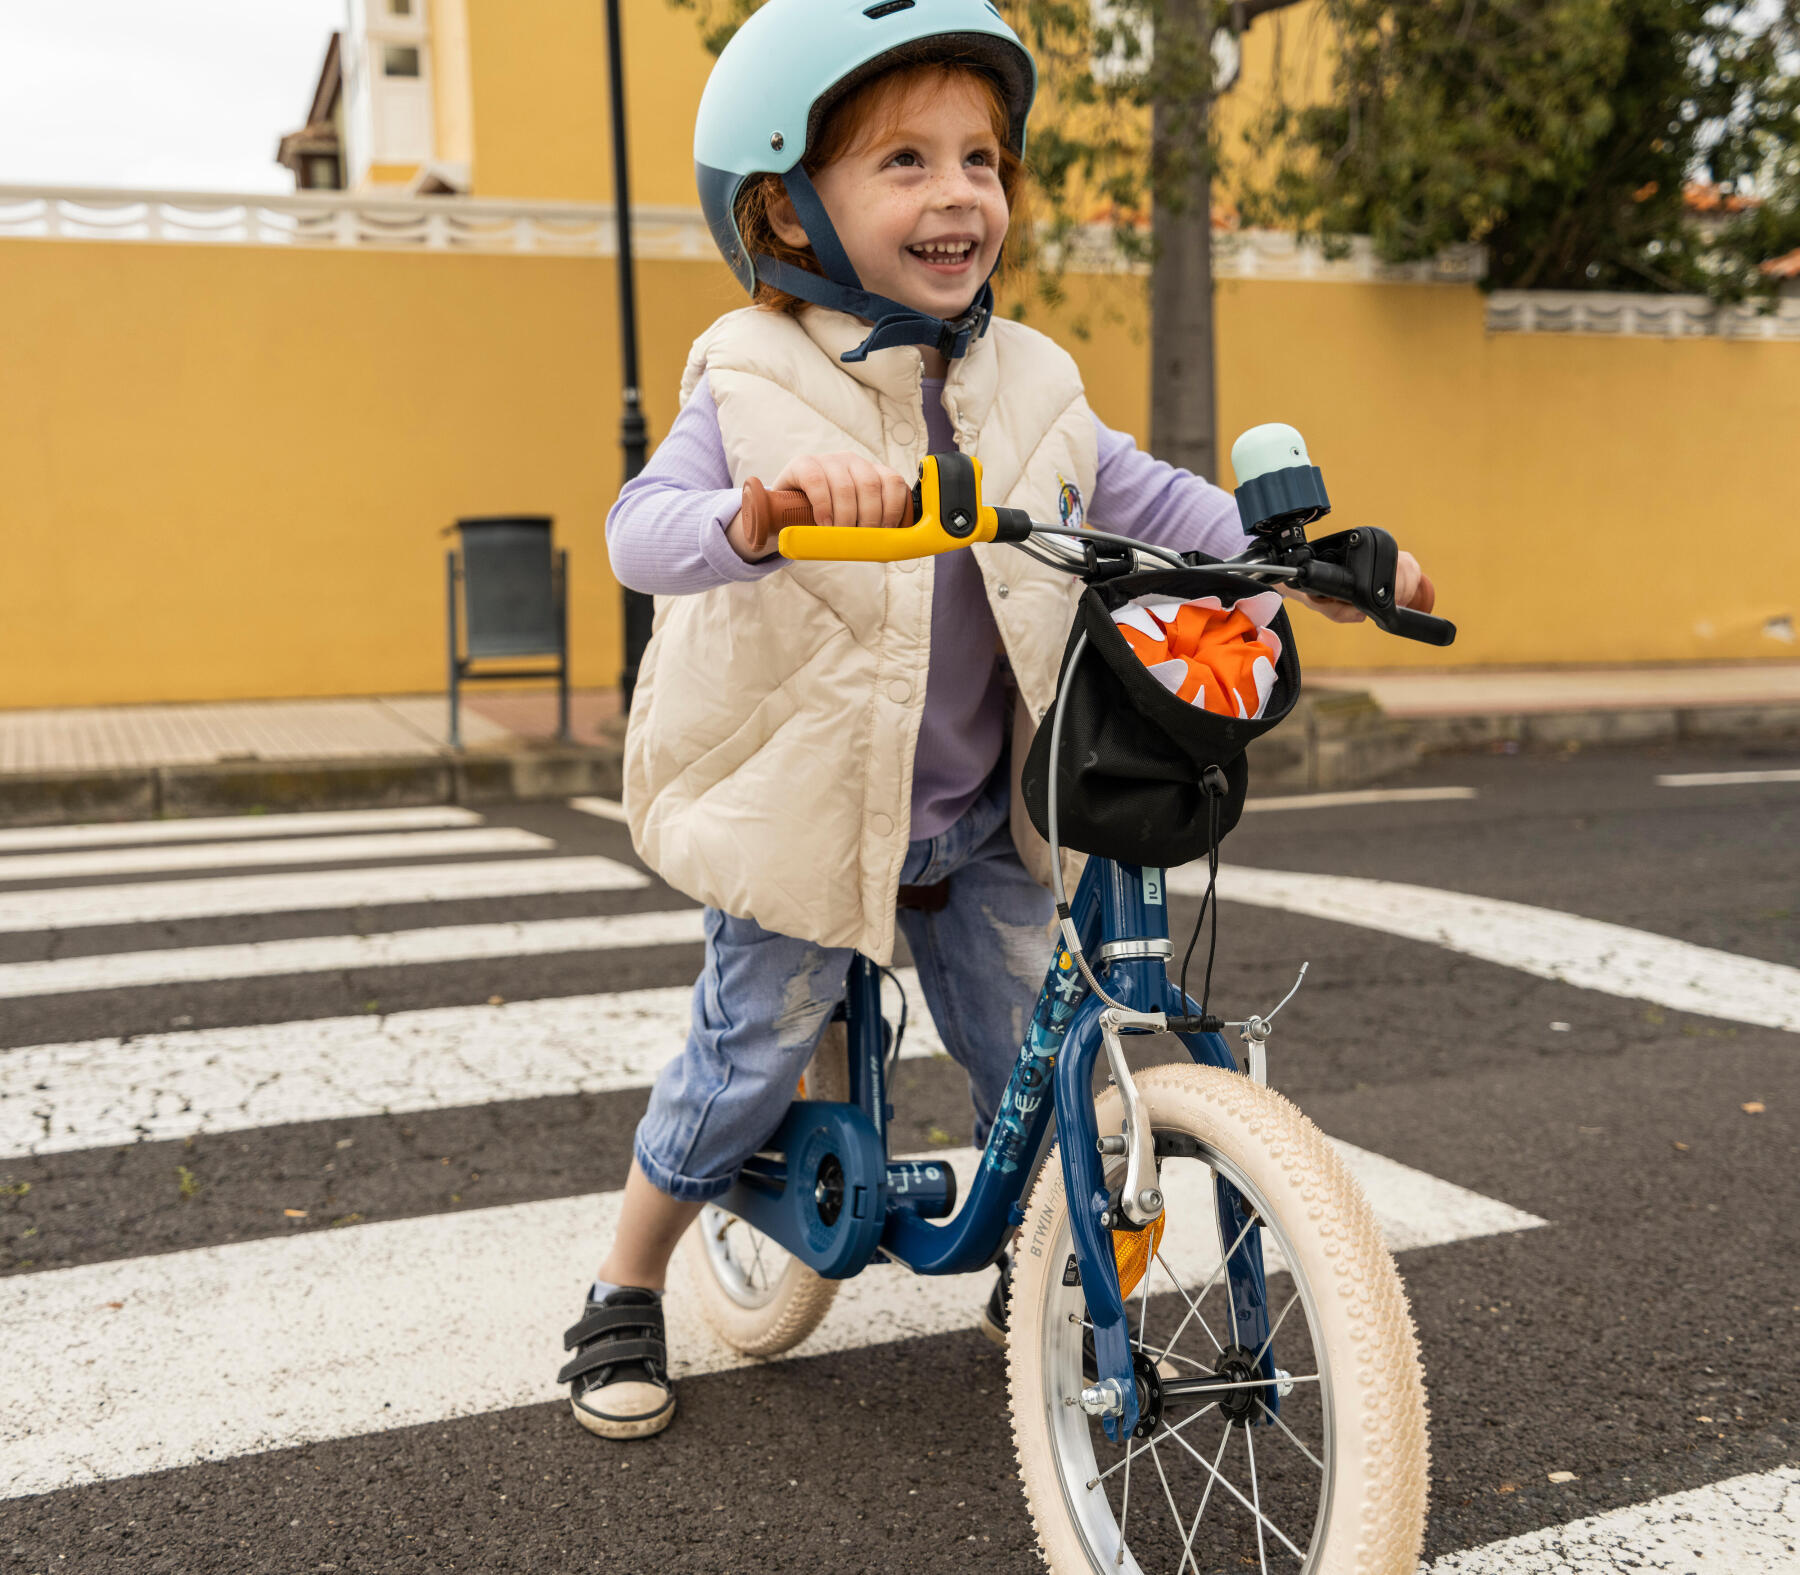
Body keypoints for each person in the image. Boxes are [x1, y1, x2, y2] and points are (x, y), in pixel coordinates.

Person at [563, 0, 1432, 1441]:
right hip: (804, 808)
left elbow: (1154, 500)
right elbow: (638, 533)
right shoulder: (747, 371)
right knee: (739, 1070)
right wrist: (760, 515)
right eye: (902, 159)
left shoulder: (1033, 377)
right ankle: (625, 1280)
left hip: (979, 817)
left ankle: (1042, 1260)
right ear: (783, 205)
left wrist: (1304, 566)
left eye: (983, 156)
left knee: (1043, 1040)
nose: (959, 189)